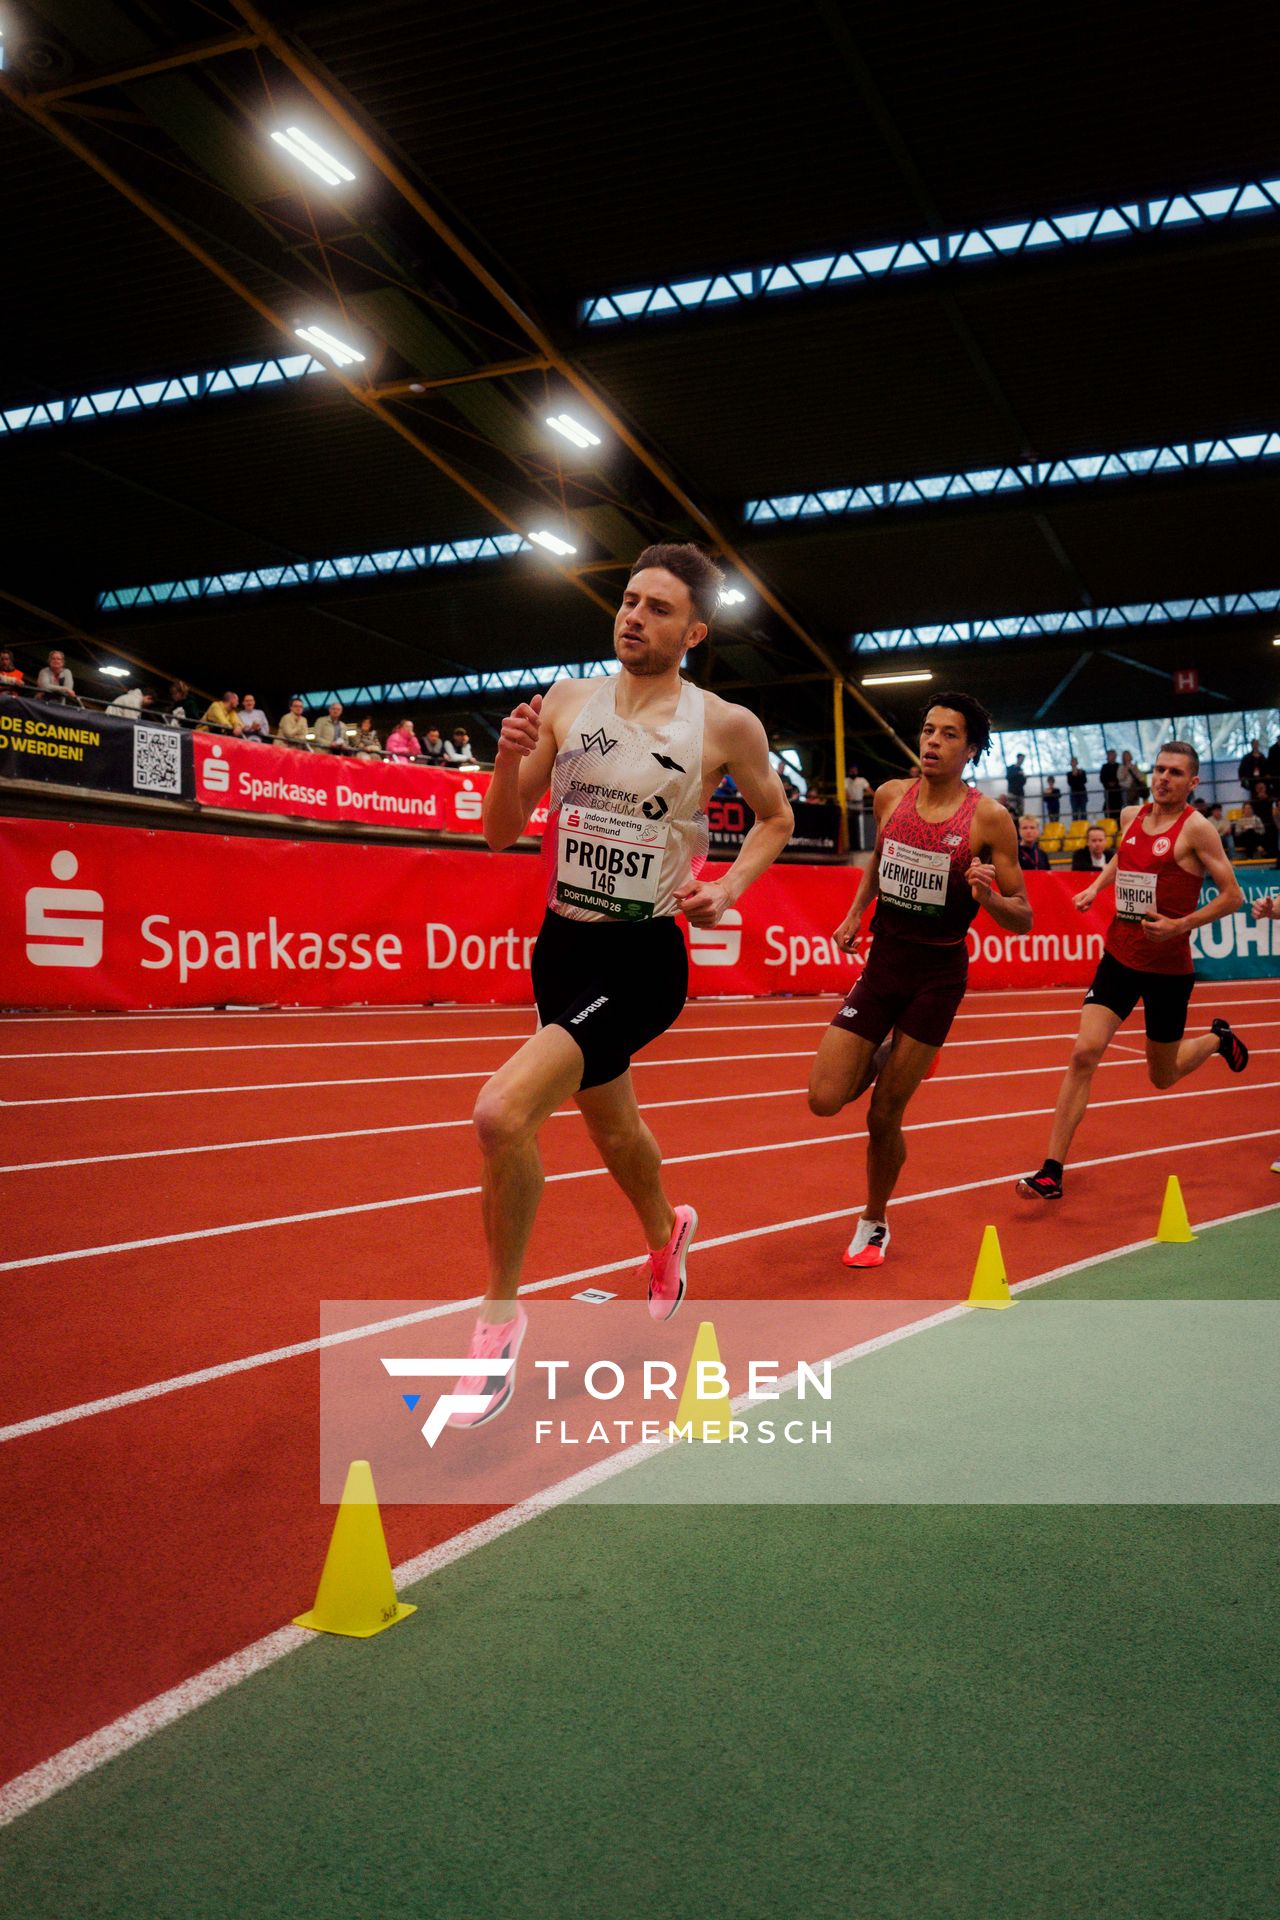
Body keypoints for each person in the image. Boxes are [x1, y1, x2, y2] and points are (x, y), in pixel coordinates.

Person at [454, 542, 793, 1425]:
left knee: (501, 1113)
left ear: (694, 633)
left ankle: (498, 1320)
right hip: (562, 949)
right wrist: (506, 760)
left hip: (642, 960)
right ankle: (664, 1232)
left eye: (658, 608)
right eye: (630, 601)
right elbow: (499, 832)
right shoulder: (569, 702)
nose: (635, 617)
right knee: (613, 1129)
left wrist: (727, 889)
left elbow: (776, 817)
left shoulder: (725, 724)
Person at [808, 693, 1031, 1269]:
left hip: (937, 976)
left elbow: (1023, 917)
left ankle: (874, 1220)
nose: (933, 741)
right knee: (824, 1098)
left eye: (948, 734)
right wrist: (855, 912)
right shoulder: (890, 796)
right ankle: (892, 1053)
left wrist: (987, 897)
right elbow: (880, 861)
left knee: (883, 1114)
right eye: (929, 730)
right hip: (885, 965)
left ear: (970, 749)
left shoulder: (988, 818)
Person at [1017, 741, 1248, 1202]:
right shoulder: (1130, 816)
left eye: (1175, 772)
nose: (1163, 778)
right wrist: (1096, 888)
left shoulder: (1197, 829)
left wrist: (1180, 925)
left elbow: (1233, 896)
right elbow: (1126, 856)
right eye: (1159, 769)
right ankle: (1051, 1171)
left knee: (1162, 1076)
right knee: (1084, 1052)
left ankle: (1217, 1039)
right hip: (1120, 957)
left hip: (1168, 969)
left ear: (1192, 782)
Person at [1249, 780, 1279, 862]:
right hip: (1258, 822)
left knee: (1272, 829)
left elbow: (1275, 811)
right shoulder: (1253, 801)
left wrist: (1267, 798)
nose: (1261, 790)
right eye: (1259, 788)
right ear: (1256, 790)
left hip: (1271, 822)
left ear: (1265, 788)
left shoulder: (1271, 798)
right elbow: (1253, 814)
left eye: (1262, 788)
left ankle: (1273, 854)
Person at [1099, 749, 1122, 821]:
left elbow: (1121, 777)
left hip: (1118, 792)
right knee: (1108, 808)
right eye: (1110, 755)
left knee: (1118, 809)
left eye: (1113, 755)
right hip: (1108, 792)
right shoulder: (1104, 766)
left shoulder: (1119, 766)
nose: (1111, 757)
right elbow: (1102, 778)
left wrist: (1116, 783)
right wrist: (1108, 783)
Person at [1067, 756, 1089, 822]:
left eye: (1075, 761)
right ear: (1070, 763)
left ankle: (1084, 825)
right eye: (1072, 761)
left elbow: (1084, 781)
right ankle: (1075, 826)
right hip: (1074, 794)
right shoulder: (1069, 774)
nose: (1073, 763)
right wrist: (1075, 776)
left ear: (1077, 762)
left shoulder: (1082, 772)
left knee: (1083, 811)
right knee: (1075, 812)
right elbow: (1071, 783)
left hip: (1082, 794)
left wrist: (1079, 775)